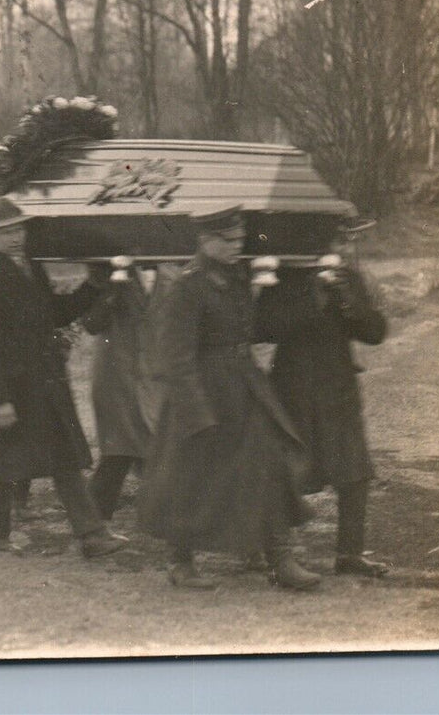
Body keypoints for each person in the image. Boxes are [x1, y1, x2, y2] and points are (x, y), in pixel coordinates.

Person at [137, 205, 318, 591]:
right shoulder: (188, 284)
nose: (239, 245)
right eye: (230, 239)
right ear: (206, 240)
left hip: (243, 386)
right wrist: (195, 410)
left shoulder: (236, 276)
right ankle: (180, 562)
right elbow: (176, 354)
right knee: (190, 478)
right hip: (203, 392)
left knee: (267, 462)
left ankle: (279, 557)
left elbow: (248, 331)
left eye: (240, 238)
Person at [0, 198, 127, 558]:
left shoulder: (32, 269)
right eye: (6, 232)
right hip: (13, 388)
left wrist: (92, 286)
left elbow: (53, 313)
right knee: (5, 464)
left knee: (63, 459)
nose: (15, 237)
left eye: (19, 229)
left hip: (45, 383)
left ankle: (91, 535)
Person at [256, 223, 390, 577]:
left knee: (355, 474)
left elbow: (375, 332)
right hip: (293, 391)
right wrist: (313, 297)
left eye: (343, 239)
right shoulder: (285, 277)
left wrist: (349, 299)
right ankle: (278, 556)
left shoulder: (349, 277)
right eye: (334, 238)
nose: (340, 245)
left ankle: (349, 555)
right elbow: (263, 328)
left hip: (338, 390)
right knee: (289, 474)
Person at [77, 262, 176, 520]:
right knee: (119, 448)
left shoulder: (173, 270)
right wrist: (113, 290)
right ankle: (94, 522)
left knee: (154, 443)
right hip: (116, 372)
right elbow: (91, 323)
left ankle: (163, 515)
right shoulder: (105, 270)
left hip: (155, 374)